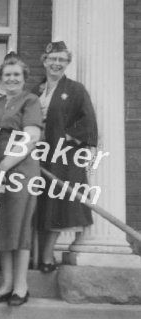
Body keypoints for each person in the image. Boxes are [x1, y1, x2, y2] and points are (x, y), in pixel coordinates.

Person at [0, 52, 42, 306]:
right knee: (1, 227)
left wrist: (4, 165)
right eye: (7, 75)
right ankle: (5, 285)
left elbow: (30, 138)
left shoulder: (30, 101)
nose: (11, 79)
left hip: (20, 168)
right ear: (0, 78)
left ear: (24, 77)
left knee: (19, 225)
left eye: (16, 74)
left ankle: (21, 286)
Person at [34, 41, 98, 272]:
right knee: (37, 204)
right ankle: (37, 256)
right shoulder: (37, 90)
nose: (57, 64)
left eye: (62, 60)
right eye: (53, 59)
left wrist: (67, 138)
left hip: (62, 156)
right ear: (44, 61)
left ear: (67, 63)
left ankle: (47, 256)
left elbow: (88, 121)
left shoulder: (75, 89)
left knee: (57, 203)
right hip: (37, 155)